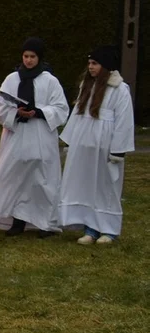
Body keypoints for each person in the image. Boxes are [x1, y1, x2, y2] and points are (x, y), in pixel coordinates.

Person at [0, 38, 69, 238]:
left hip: (40, 135)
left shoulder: (49, 81)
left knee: (42, 178)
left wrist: (38, 112)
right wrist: (16, 112)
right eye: (26, 56)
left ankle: (45, 222)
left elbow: (61, 109)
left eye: (33, 57)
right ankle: (17, 220)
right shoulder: (12, 79)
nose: (29, 61)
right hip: (17, 135)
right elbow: (0, 107)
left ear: (39, 58)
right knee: (16, 176)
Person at [58, 46, 135, 245]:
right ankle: (90, 228)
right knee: (85, 184)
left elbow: (124, 120)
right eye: (90, 63)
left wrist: (118, 149)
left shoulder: (119, 89)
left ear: (106, 66)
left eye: (95, 63)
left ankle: (108, 230)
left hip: (106, 145)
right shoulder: (88, 86)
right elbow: (77, 113)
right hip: (85, 145)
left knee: (105, 186)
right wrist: (70, 139)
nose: (90, 67)